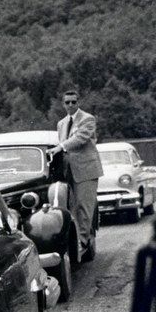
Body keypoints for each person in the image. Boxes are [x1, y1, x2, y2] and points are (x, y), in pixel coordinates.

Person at [46, 90, 102, 256]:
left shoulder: (88, 119)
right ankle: (77, 241)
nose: (70, 105)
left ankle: (83, 244)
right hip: (68, 171)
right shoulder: (61, 123)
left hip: (86, 170)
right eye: (67, 102)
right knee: (70, 208)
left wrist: (60, 147)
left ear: (78, 103)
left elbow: (80, 138)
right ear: (63, 104)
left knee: (84, 206)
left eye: (73, 102)